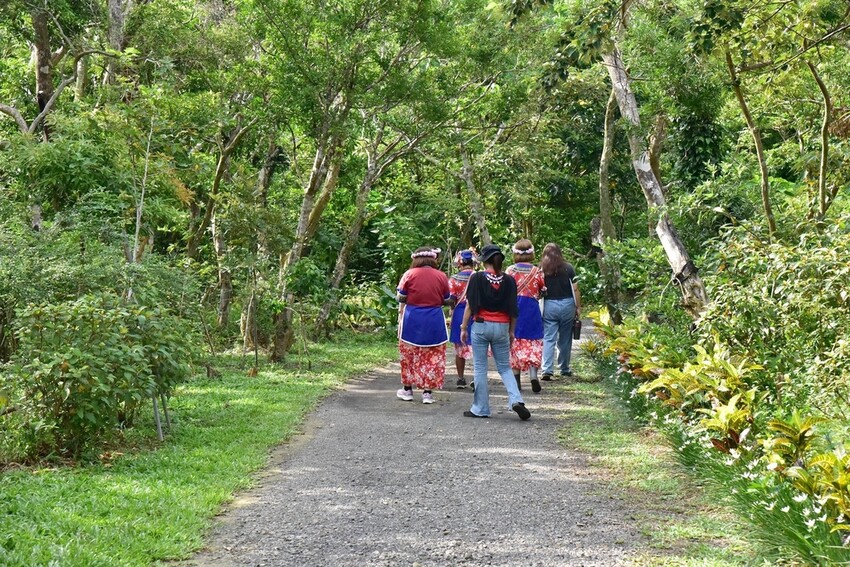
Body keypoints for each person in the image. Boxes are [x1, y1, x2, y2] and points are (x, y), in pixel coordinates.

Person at [460, 244, 530, 420]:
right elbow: (513, 309)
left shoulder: (476, 278)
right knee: (505, 367)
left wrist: (463, 327)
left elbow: (470, 305)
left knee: (481, 367)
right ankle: (516, 400)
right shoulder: (509, 280)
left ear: (485, 261)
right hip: (502, 327)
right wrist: (512, 331)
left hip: (481, 326)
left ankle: (481, 408)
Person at [396, 246, 451, 404]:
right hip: (434, 319)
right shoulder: (441, 276)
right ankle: (427, 392)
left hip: (411, 319)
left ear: (415, 259)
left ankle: (407, 389)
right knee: (432, 356)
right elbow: (447, 299)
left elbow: (401, 297)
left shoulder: (409, 274)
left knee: (408, 355)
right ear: (433, 259)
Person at [506, 239, 545, 394]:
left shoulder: (509, 271)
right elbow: (543, 290)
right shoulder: (537, 271)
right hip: (532, 310)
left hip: (514, 308)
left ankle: (516, 379)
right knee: (534, 341)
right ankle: (533, 375)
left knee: (514, 341)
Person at [539, 242, 582, 380]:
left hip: (549, 305)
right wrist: (578, 307)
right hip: (567, 304)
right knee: (565, 338)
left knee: (548, 337)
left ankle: (547, 369)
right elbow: (575, 288)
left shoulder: (542, 269)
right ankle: (564, 368)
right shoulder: (568, 268)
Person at [448, 249, 477, 388]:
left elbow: (451, 298)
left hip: (459, 313)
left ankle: (460, 378)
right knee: (478, 346)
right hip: (477, 313)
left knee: (460, 348)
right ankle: (477, 378)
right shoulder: (480, 276)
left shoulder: (454, 279)